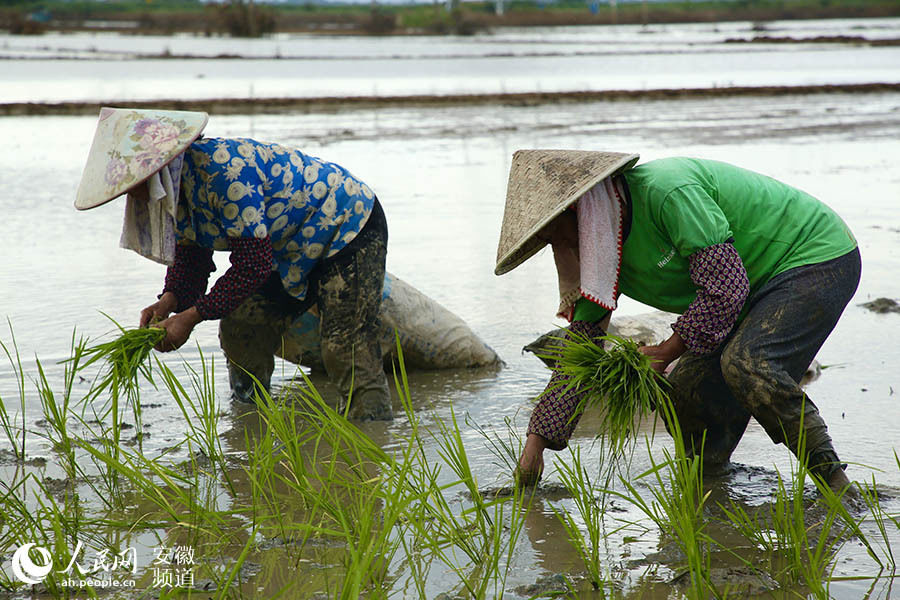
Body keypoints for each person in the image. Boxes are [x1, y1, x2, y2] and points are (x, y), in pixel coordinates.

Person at [494, 150, 860, 493]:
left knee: (749, 365)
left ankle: (837, 485)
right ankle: (711, 484)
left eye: (555, 232)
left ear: (579, 211)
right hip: (747, 288)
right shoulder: (599, 254)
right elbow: (578, 356)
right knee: (684, 389)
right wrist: (534, 449)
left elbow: (726, 288)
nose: (558, 245)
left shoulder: (668, 193)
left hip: (810, 256)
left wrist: (665, 351)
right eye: (547, 239)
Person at [75, 107, 392, 420]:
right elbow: (192, 261)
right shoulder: (174, 192)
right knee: (242, 326)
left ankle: (372, 430)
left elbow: (252, 265)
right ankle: (250, 422)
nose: (132, 193)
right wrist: (168, 302)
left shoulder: (226, 175)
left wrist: (192, 317)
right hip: (289, 246)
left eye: (133, 184)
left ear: (156, 170)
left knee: (344, 345)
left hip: (346, 224)